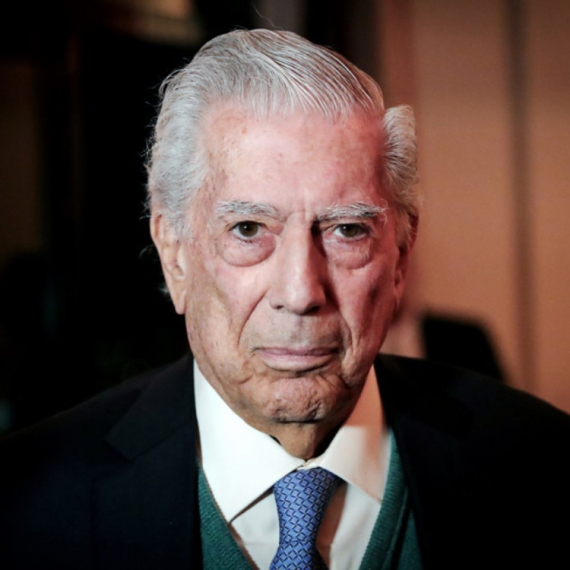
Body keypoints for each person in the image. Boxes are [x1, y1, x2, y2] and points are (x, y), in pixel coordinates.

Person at [1, 29, 568, 570]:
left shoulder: (543, 465)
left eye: (347, 230)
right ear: (175, 255)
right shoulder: (22, 501)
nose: (301, 293)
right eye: (248, 229)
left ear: (401, 253)